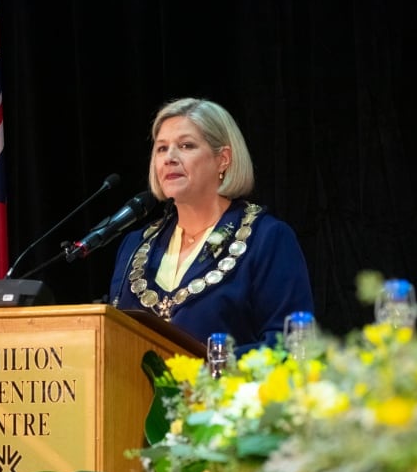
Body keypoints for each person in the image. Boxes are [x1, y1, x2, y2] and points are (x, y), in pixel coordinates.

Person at [109, 97, 314, 354]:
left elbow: (290, 344)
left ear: (223, 159)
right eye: (161, 148)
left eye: (186, 145)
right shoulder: (134, 246)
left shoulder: (267, 238)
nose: (169, 157)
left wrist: (208, 368)